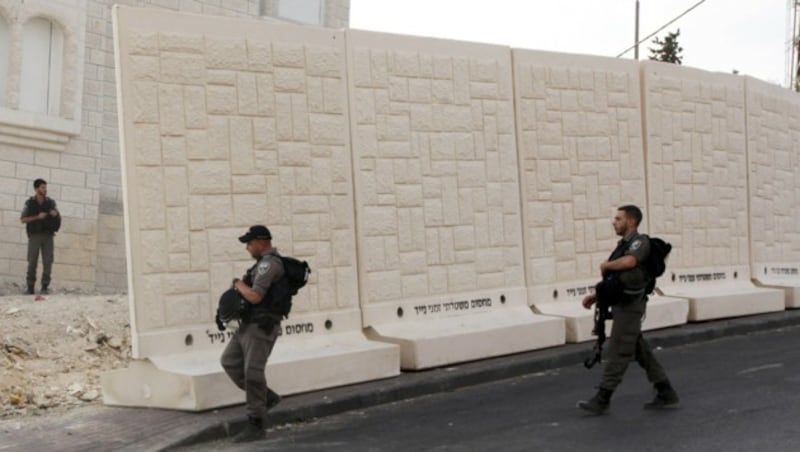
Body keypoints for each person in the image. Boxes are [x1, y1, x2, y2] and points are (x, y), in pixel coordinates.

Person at [577, 205, 679, 415]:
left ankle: (603, 398)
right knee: (639, 349)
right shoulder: (623, 245)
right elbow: (617, 280)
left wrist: (606, 265)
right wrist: (596, 297)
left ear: (631, 221)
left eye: (618, 219)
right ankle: (665, 390)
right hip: (622, 303)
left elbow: (631, 262)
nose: (614, 222)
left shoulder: (639, 242)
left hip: (631, 306)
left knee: (619, 350)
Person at [221, 225, 285, 443]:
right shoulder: (259, 265)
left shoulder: (270, 264)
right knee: (229, 361)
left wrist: (238, 284)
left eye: (249, 243)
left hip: (261, 327)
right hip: (247, 325)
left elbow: (256, 296)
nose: (247, 247)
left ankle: (256, 425)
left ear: (261, 242)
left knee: (253, 373)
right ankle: (267, 398)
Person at [20, 179, 60, 295]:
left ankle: (44, 287)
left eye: (45, 187)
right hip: (35, 236)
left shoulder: (51, 202)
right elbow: (23, 219)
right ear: (36, 189)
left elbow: (57, 215)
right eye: (42, 187)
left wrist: (55, 214)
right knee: (32, 261)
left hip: (48, 236)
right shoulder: (30, 203)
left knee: (48, 262)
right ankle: (30, 287)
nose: (45, 189)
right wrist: (38, 217)